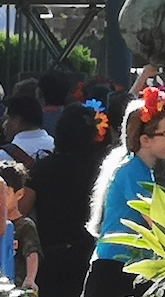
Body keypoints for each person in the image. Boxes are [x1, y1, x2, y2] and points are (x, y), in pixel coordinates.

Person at [81, 87, 165, 297]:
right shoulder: (133, 170)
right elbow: (156, 221)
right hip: (114, 270)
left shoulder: (138, 168)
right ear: (145, 140)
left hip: (121, 267)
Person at [21, 102, 104, 297]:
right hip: (88, 251)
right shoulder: (100, 168)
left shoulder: (43, 168)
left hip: (50, 253)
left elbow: (22, 208)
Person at [0, 161, 41, 294]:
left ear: (19, 194)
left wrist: (30, 278)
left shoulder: (24, 225)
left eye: (4, 194)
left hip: (15, 285)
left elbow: (32, 253)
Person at [0, 96, 54, 167]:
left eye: (6, 119)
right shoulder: (56, 147)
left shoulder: (2, 156)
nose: (4, 125)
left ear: (17, 121)